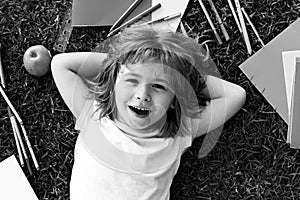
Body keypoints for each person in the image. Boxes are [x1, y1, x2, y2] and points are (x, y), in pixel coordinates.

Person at [51, 25, 246, 200]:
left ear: (174, 99)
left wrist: (185, 75)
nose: (143, 95)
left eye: (159, 86)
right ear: (113, 83)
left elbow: (234, 95)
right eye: (132, 80)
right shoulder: (94, 115)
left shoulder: (178, 132)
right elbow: (61, 64)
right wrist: (124, 61)